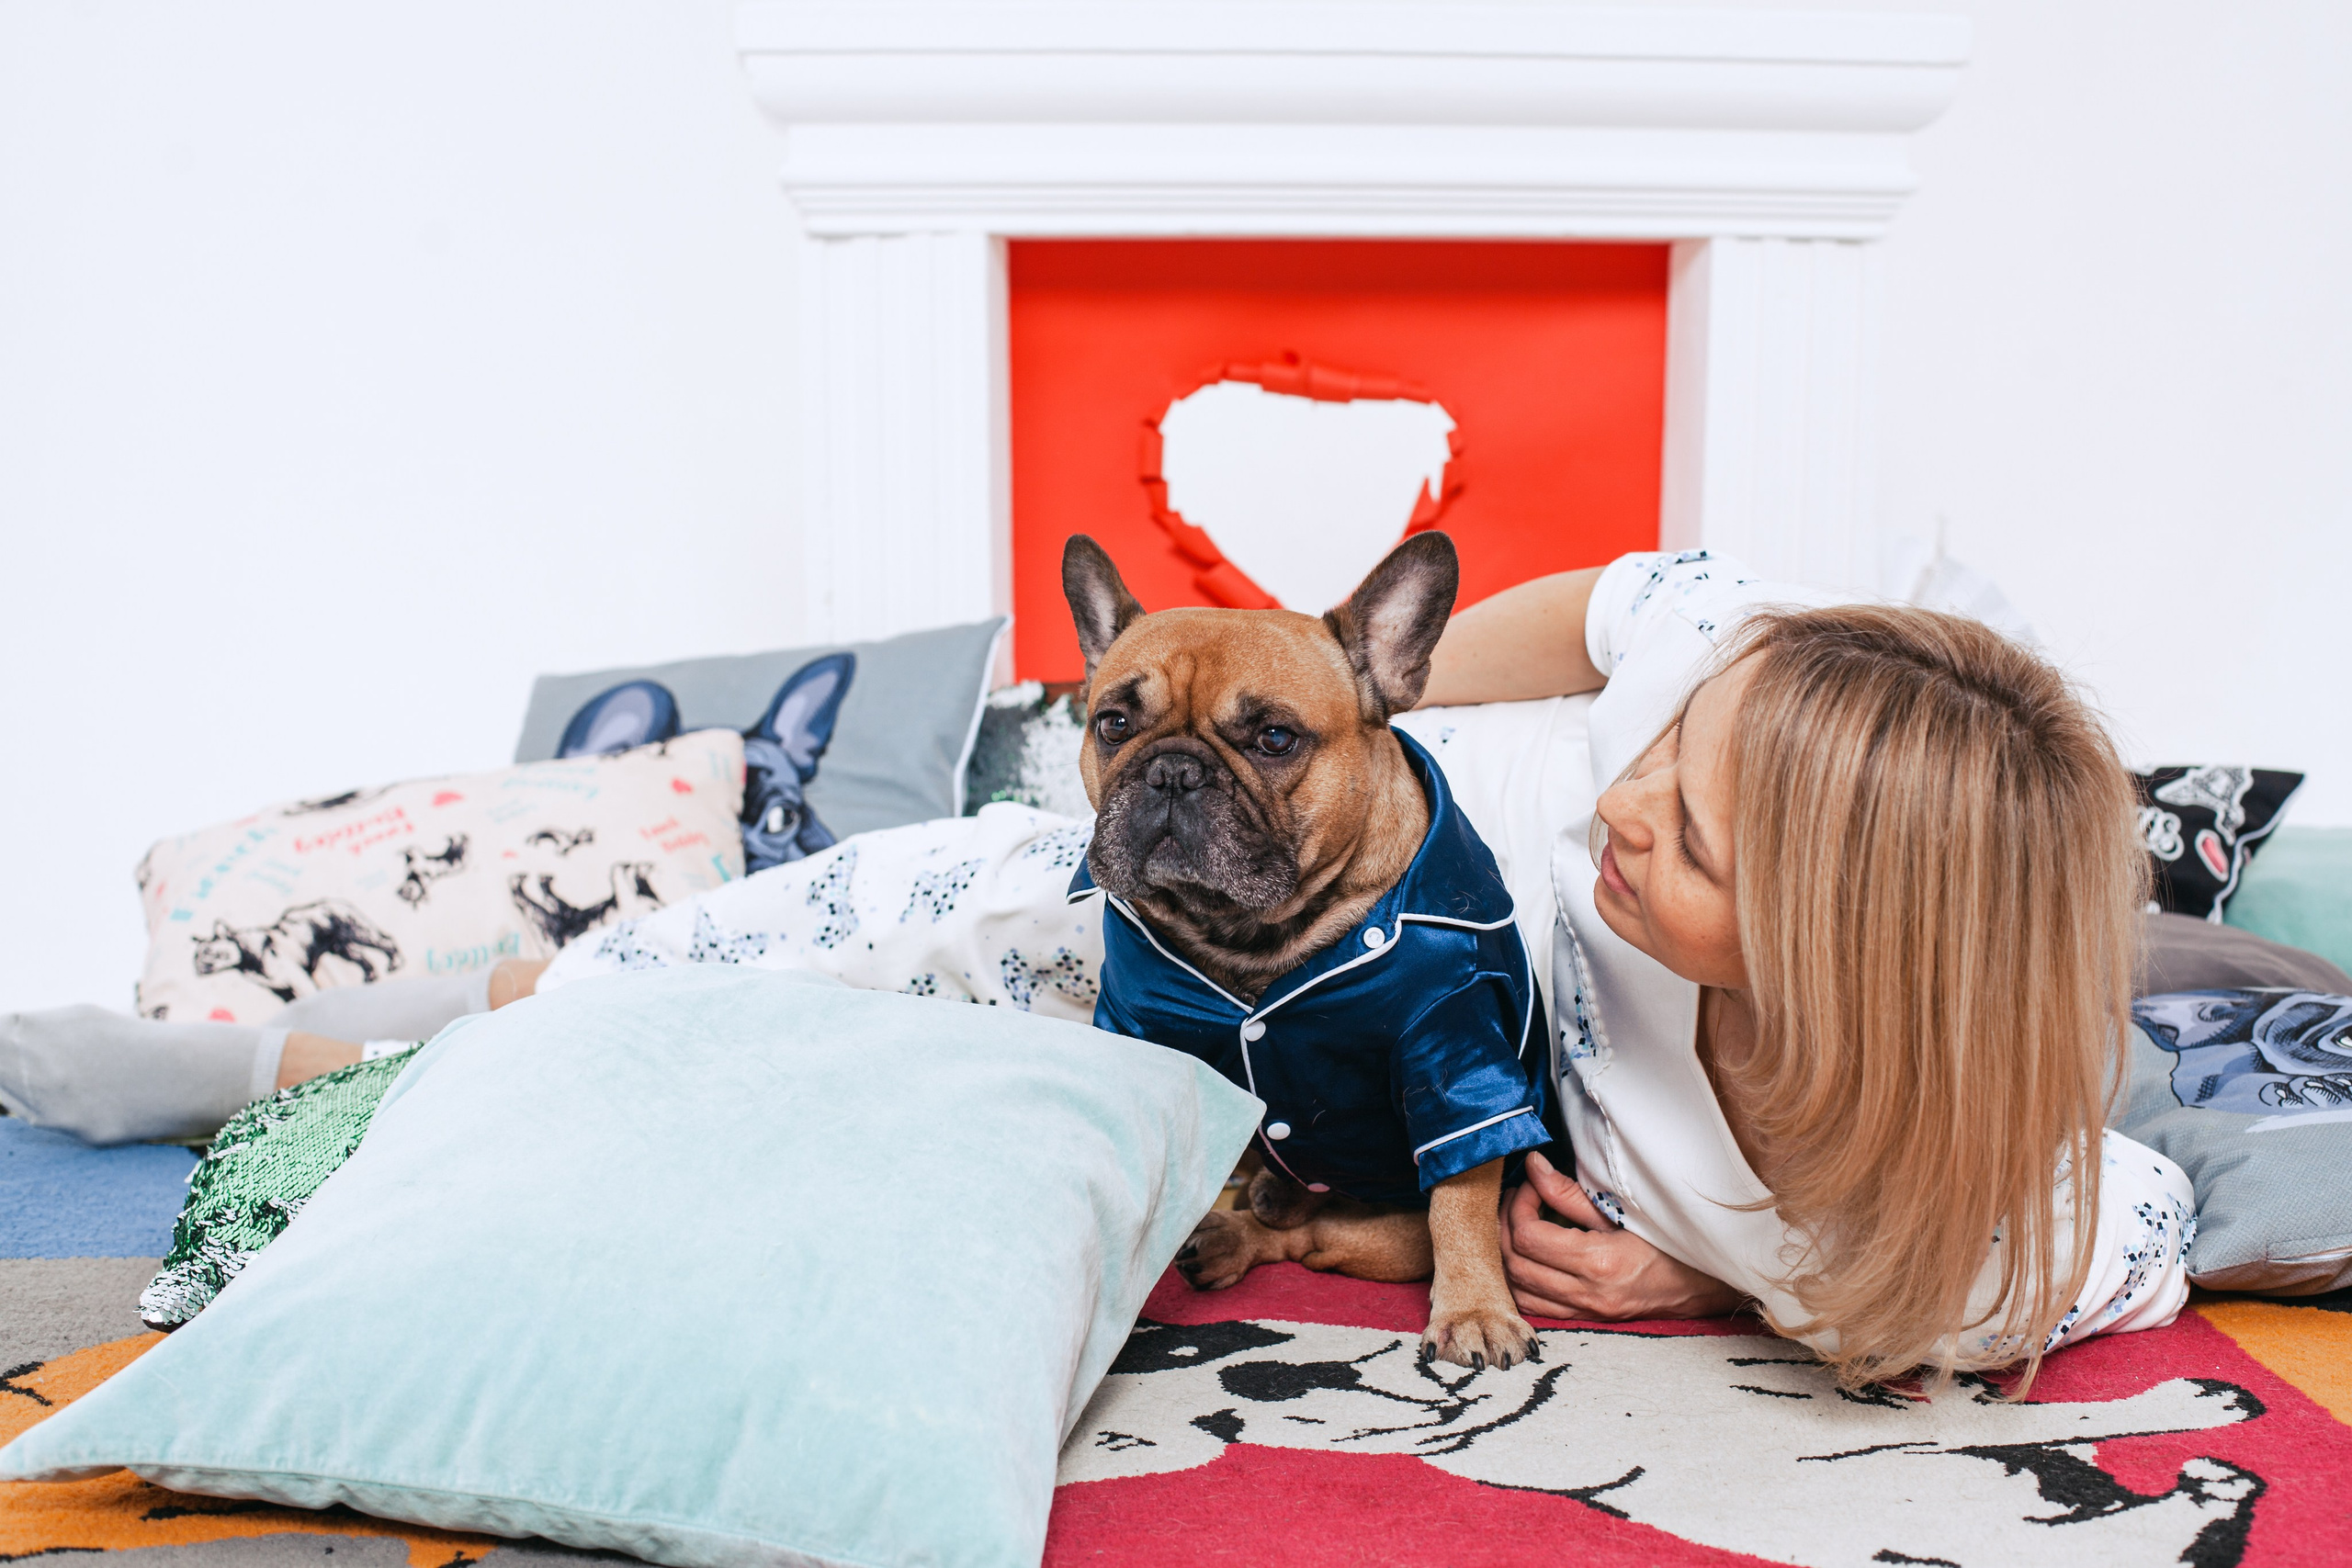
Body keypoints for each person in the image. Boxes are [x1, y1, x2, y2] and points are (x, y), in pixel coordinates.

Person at [6, 548, 2335, 1390]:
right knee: (861, 904)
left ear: (1824, 944)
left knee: (2191, 1091)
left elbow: (2102, 1240)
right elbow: (1621, 617)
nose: (1630, 807)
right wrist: (1374, 681)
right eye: (1665, 765)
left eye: (1692, 835)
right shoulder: (1662, 723)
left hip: (1472, 1035)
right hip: (1352, 848)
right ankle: (311, 1043)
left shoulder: (1993, 1228)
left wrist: (1708, 1287)